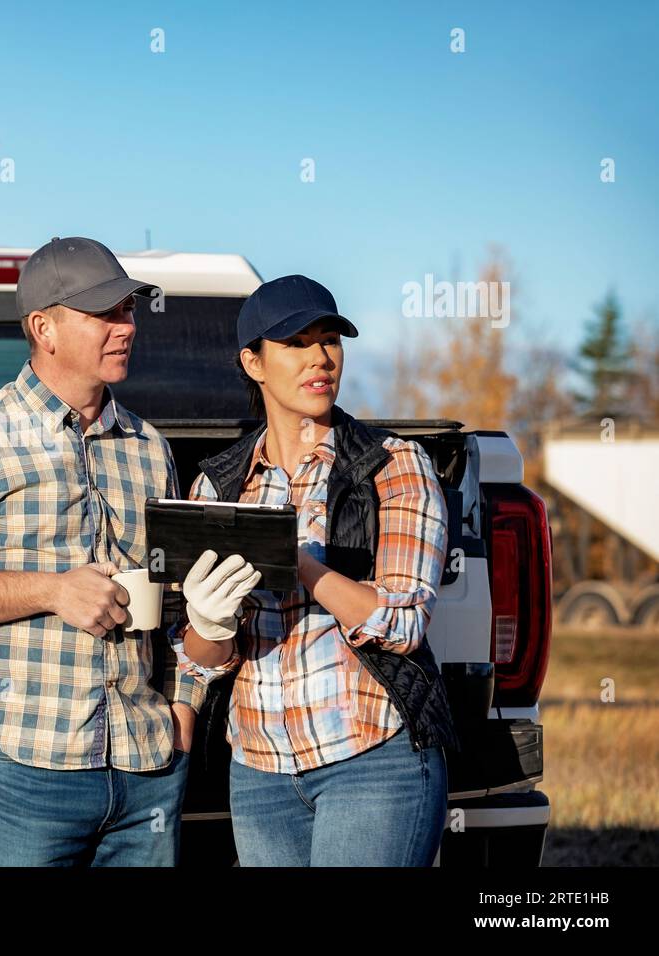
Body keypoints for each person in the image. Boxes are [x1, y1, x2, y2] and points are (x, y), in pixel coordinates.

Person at [0, 236, 239, 866]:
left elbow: (182, 598)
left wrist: (186, 703)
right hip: (17, 771)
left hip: (145, 770)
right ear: (44, 328)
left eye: (128, 311)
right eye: (106, 314)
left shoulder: (150, 447)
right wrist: (51, 589)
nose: (126, 327)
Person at [171, 274, 460, 866]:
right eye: (297, 343)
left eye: (329, 339)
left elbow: (402, 623)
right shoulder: (217, 485)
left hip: (374, 761)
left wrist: (295, 560)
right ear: (253, 363)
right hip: (259, 774)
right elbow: (198, 661)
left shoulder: (392, 466)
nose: (320, 358)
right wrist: (209, 620)